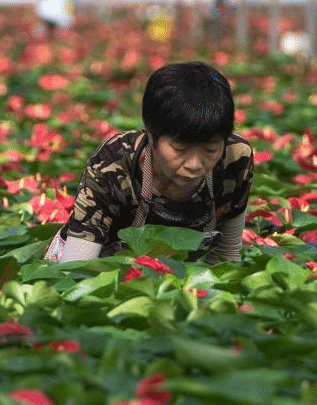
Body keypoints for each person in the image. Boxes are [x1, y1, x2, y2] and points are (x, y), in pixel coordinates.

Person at [44, 61, 253, 264]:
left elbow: (227, 256)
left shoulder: (235, 158)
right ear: (151, 135)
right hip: (100, 266)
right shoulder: (112, 164)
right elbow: (76, 267)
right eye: (180, 149)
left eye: (210, 149)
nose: (195, 164)